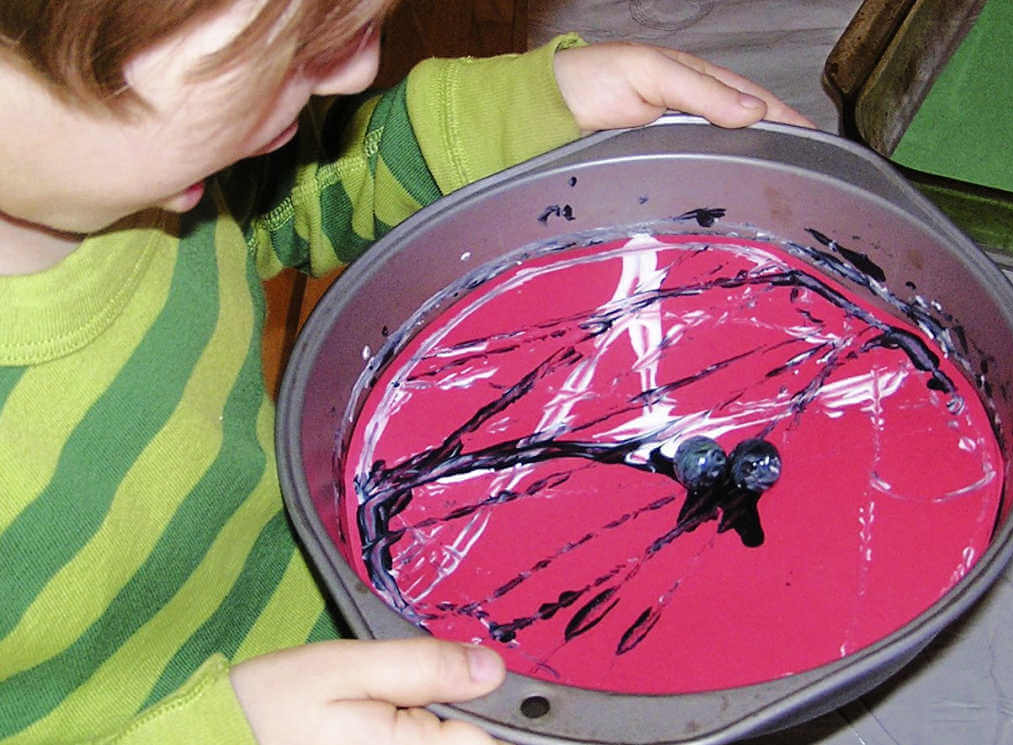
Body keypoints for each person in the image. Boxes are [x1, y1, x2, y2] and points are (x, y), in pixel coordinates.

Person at [0, 1, 810, 743]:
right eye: (288, 42)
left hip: (372, 605)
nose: (355, 68)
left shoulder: (145, 178)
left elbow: (294, 195)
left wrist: (537, 107)